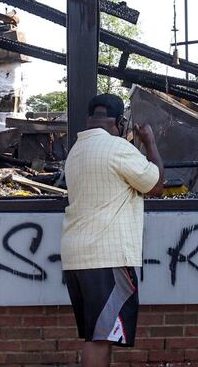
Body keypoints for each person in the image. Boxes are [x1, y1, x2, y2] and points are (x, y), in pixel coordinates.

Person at [61, 94, 165, 367]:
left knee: (97, 335)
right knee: (101, 338)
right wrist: (150, 143)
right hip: (106, 258)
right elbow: (155, 185)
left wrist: (135, 148)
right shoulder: (117, 148)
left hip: (77, 257)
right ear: (119, 122)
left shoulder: (77, 151)